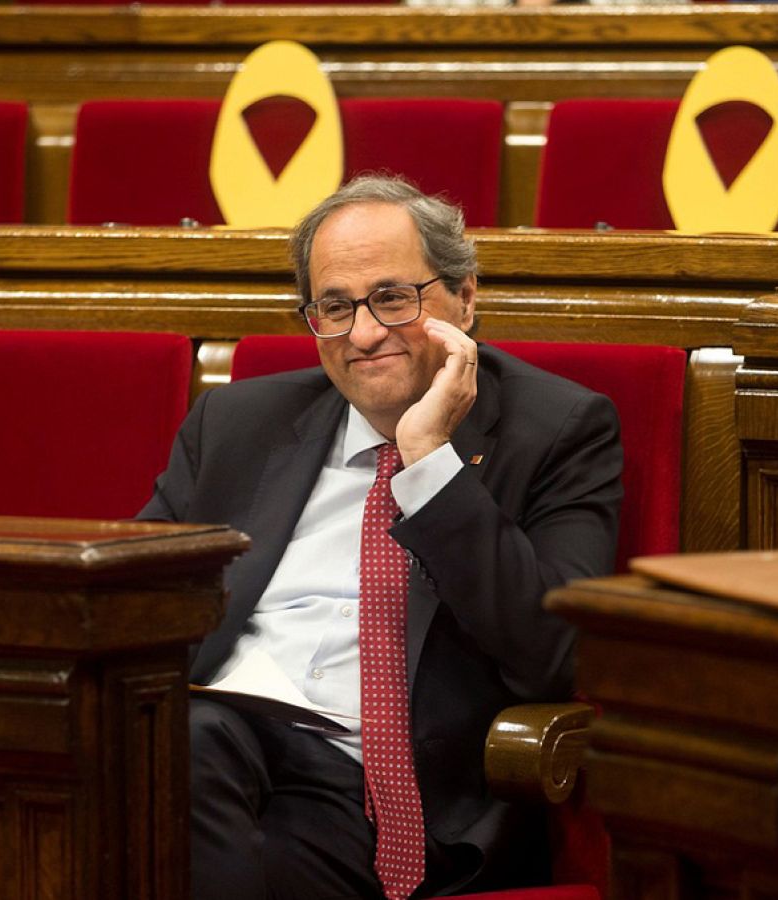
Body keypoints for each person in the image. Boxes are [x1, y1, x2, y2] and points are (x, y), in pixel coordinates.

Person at [139, 174, 622, 899]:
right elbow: (137, 602)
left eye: (392, 299)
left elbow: (554, 654)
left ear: (464, 295)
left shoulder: (558, 431)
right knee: (178, 746)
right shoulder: (236, 424)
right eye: (335, 308)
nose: (363, 334)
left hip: (389, 790)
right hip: (218, 742)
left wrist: (428, 461)